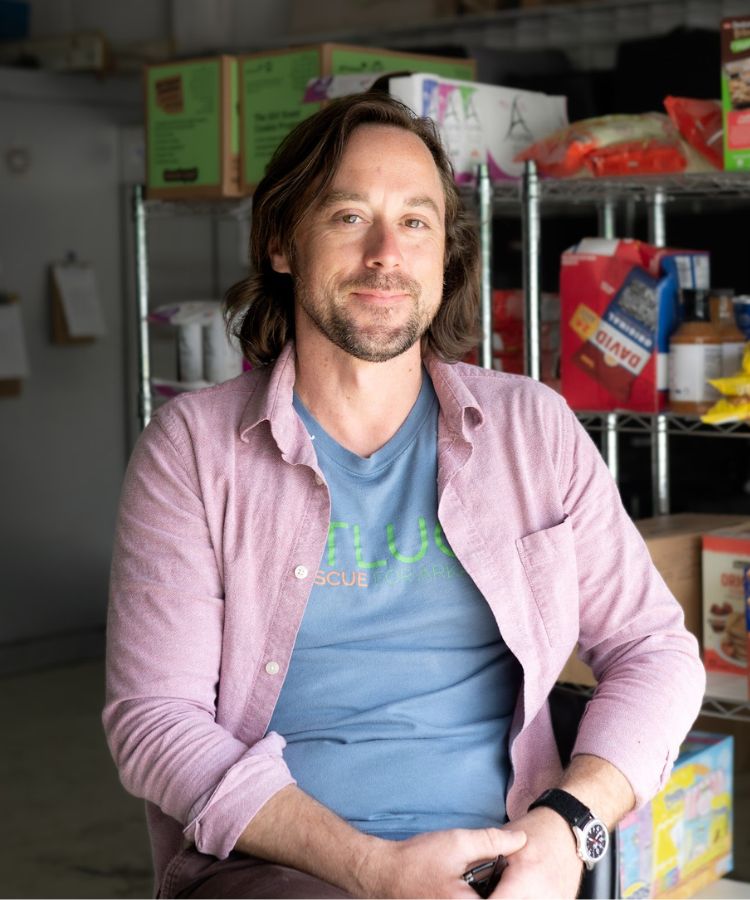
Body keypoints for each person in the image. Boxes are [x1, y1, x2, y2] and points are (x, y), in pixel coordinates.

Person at [104, 92, 705, 899]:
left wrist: (570, 826)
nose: (388, 252)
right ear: (282, 243)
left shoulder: (533, 431)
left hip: (509, 863)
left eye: (416, 222)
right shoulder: (193, 452)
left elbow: (656, 652)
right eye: (350, 217)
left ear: (443, 255)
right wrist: (372, 870)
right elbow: (154, 722)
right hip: (284, 869)